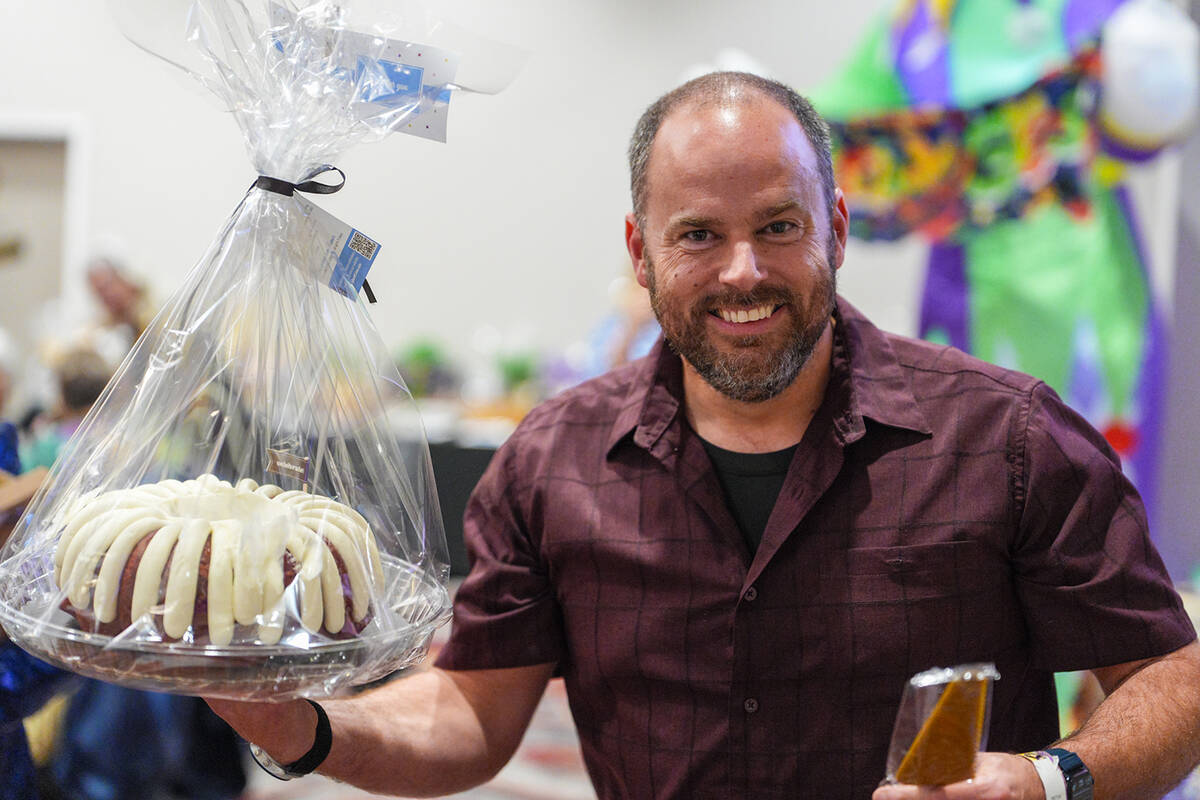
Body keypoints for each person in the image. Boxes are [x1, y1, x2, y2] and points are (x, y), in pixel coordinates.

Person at [209, 72, 1200, 799]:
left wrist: (1052, 776)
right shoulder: (555, 463)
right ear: (640, 251)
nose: (741, 270)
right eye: (697, 235)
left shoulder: (1008, 439)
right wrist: (300, 728)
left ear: (838, 229)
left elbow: (1168, 676)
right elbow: (468, 710)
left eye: (778, 226)